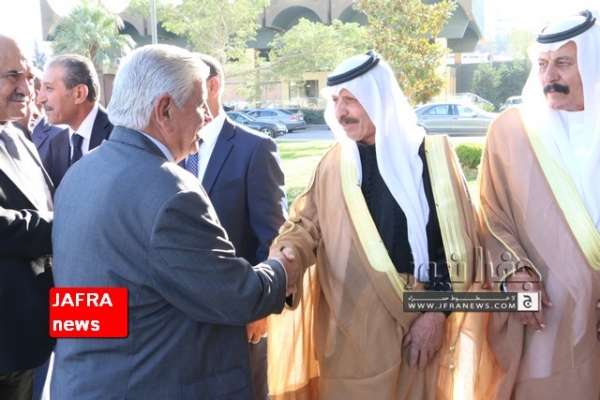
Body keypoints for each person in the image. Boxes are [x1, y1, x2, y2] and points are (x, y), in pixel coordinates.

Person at [50, 44, 300, 399]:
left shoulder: (78, 174)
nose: (207, 116)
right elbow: (236, 296)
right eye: (199, 104)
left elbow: (90, 305)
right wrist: (282, 270)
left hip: (84, 383)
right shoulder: (171, 190)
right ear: (165, 110)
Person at [266, 51, 479, 399]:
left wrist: (437, 313)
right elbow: (304, 226)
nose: (340, 112)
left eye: (350, 100)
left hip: (415, 329)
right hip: (347, 332)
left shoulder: (432, 156)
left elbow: (458, 245)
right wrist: (287, 255)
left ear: (378, 100)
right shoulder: (334, 164)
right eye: (335, 101)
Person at [478, 10, 600, 399]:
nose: (549, 76)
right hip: (544, 319)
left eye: (563, 63)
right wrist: (512, 272)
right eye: (542, 64)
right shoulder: (511, 132)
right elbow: (490, 216)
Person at [183, 53, 288, 400]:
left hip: (239, 319)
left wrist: (260, 309)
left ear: (212, 87)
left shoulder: (254, 148)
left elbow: (273, 236)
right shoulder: (168, 148)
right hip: (182, 323)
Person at [0, 34, 55, 400]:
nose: (26, 87)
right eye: (13, 76)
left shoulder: (18, 134)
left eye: (28, 76)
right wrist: (65, 224)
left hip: (31, 336)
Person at [37, 54, 112, 187]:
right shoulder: (56, 144)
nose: (40, 99)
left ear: (79, 94)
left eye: (49, 88)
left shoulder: (118, 135)